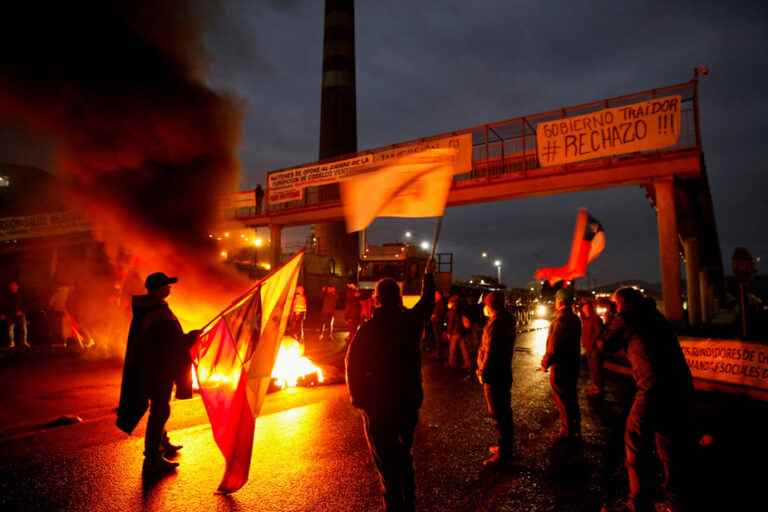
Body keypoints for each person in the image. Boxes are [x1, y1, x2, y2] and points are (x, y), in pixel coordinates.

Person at [345, 260, 435, 511]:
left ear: (376, 299)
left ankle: (395, 505)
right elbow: (427, 303)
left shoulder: (368, 329)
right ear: (399, 297)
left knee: (386, 461)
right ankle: (409, 503)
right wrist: (428, 276)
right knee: (404, 454)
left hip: (379, 406)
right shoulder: (411, 322)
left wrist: (359, 399)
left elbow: (352, 365)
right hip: (408, 402)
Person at [598, 288, 692, 512]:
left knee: (635, 442)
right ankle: (674, 501)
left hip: (651, 389)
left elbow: (603, 344)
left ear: (622, 303)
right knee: (667, 443)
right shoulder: (656, 316)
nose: (615, 308)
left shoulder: (626, 318)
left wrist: (609, 319)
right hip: (679, 386)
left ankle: (637, 503)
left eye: (615, 304)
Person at [116, 272, 201, 474]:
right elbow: (172, 343)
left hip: (156, 368)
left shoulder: (152, 308)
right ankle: (152, 456)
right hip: (157, 370)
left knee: (159, 408)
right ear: (158, 289)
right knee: (161, 410)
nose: (169, 288)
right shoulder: (156, 312)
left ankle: (162, 442)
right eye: (166, 285)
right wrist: (191, 337)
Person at [476, 291, 516, 469]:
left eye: (486, 304)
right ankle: (506, 445)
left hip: (494, 374)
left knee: (499, 412)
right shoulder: (504, 320)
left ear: (490, 305)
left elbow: (490, 351)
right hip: (502, 372)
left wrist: (482, 372)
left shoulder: (497, 324)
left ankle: (504, 452)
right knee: (503, 411)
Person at [540, 288, 582, 439]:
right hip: (573, 364)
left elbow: (554, 346)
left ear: (560, 301)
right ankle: (575, 426)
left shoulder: (561, 320)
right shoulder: (575, 318)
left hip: (562, 366)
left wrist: (545, 363)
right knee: (571, 396)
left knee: (563, 399)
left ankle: (568, 430)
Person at [580, 299, 604, 396]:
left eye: (587, 308)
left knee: (596, 368)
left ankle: (598, 388)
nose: (586, 310)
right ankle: (595, 386)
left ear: (591, 308)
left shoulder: (595, 319)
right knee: (592, 368)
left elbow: (598, 332)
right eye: (584, 308)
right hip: (588, 347)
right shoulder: (586, 319)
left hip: (593, 348)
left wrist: (592, 342)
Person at [1, 280, 30, 350]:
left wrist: (22, 311)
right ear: (9, 287)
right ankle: (11, 343)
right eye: (11, 286)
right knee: (10, 329)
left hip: (20, 314)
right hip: (10, 315)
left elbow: (26, 304)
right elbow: (3, 305)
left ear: (17, 287)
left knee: (23, 329)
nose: (13, 287)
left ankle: (24, 342)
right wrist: (3, 314)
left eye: (14, 286)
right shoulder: (7, 296)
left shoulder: (22, 295)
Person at [445, 294, 472, 370]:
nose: (449, 303)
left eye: (450, 302)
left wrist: (449, 332)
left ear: (453, 302)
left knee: (452, 348)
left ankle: (451, 363)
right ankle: (468, 363)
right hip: (461, 331)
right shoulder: (461, 309)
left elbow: (451, 323)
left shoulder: (452, 311)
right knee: (464, 348)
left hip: (455, 332)